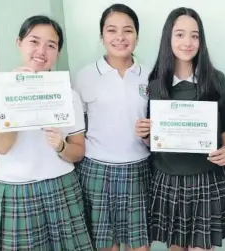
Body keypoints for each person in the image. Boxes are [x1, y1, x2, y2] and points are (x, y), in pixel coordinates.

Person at [0, 15, 92, 251]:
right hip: (16, 191)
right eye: (34, 41)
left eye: (51, 45)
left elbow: (78, 152)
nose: (42, 50)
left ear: (58, 52)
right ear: (19, 43)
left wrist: (61, 146)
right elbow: (1, 146)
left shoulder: (67, 94)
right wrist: (17, 93)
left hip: (61, 186)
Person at [135, 7, 225, 251]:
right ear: (168, 38)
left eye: (195, 35)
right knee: (176, 247)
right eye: (180, 34)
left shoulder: (215, 79)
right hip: (168, 176)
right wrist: (145, 134)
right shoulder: (155, 83)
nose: (188, 42)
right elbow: (153, 140)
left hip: (206, 175)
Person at [73, 4, 151, 251]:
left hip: (139, 169)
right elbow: (76, 128)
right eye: (112, 30)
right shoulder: (85, 76)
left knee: (140, 245)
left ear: (137, 38)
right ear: (102, 36)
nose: (120, 37)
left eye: (127, 31)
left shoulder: (151, 75)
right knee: (106, 245)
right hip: (96, 171)